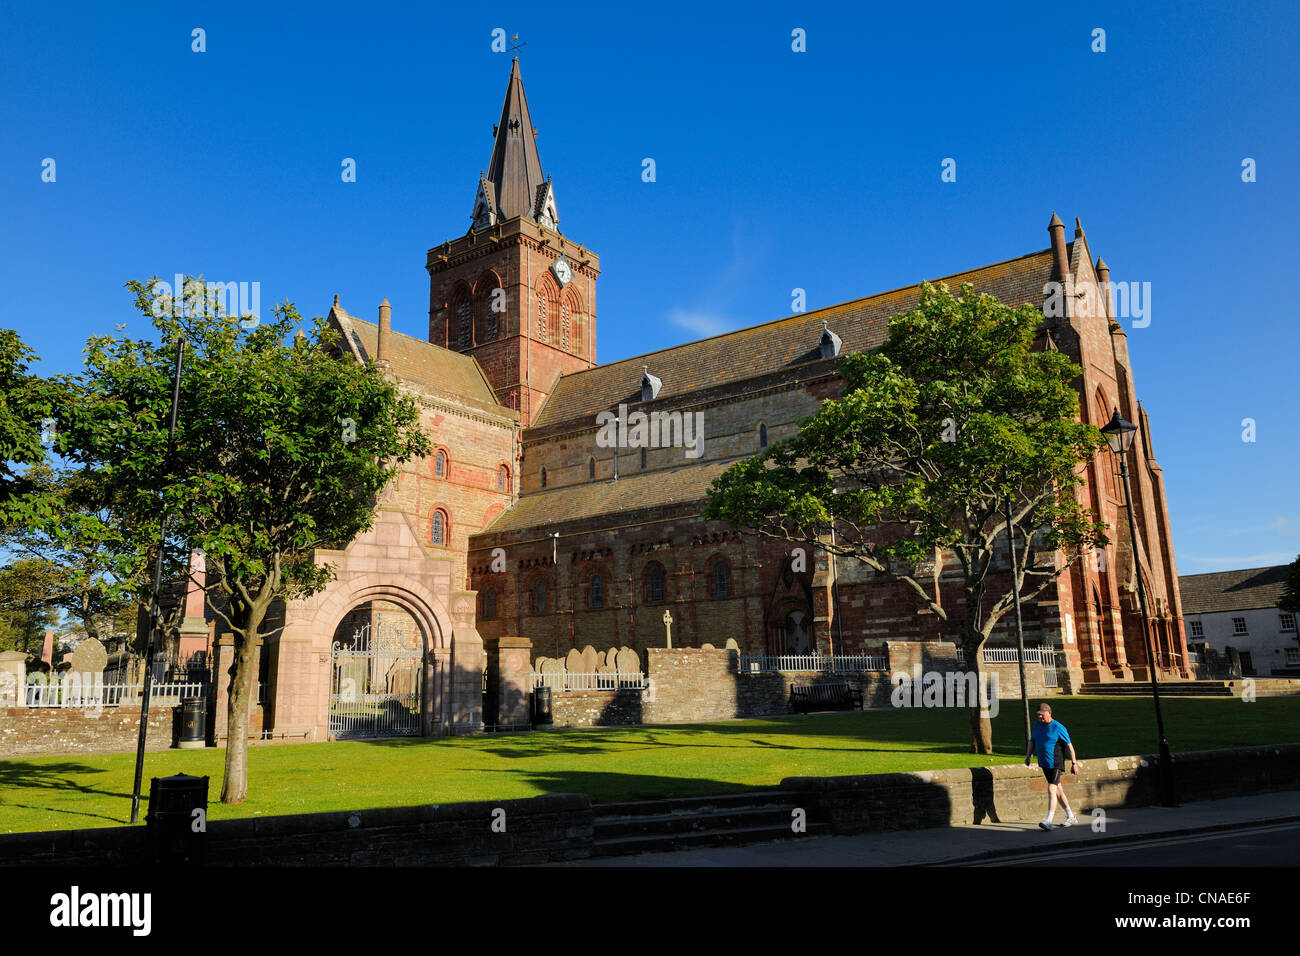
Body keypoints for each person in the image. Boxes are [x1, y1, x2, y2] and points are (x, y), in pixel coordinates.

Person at [1024, 701, 1080, 830]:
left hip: (1056, 762)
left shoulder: (1058, 727)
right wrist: (1028, 756)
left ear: (1049, 713)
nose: (1039, 717)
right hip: (1044, 763)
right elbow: (1032, 741)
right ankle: (1071, 816)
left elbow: (1070, 747)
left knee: (1051, 789)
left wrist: (1074, 763)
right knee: (1059, 791)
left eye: (1042, 715)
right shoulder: (1037, 726)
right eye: (1038, 715)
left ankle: (1048, 820)